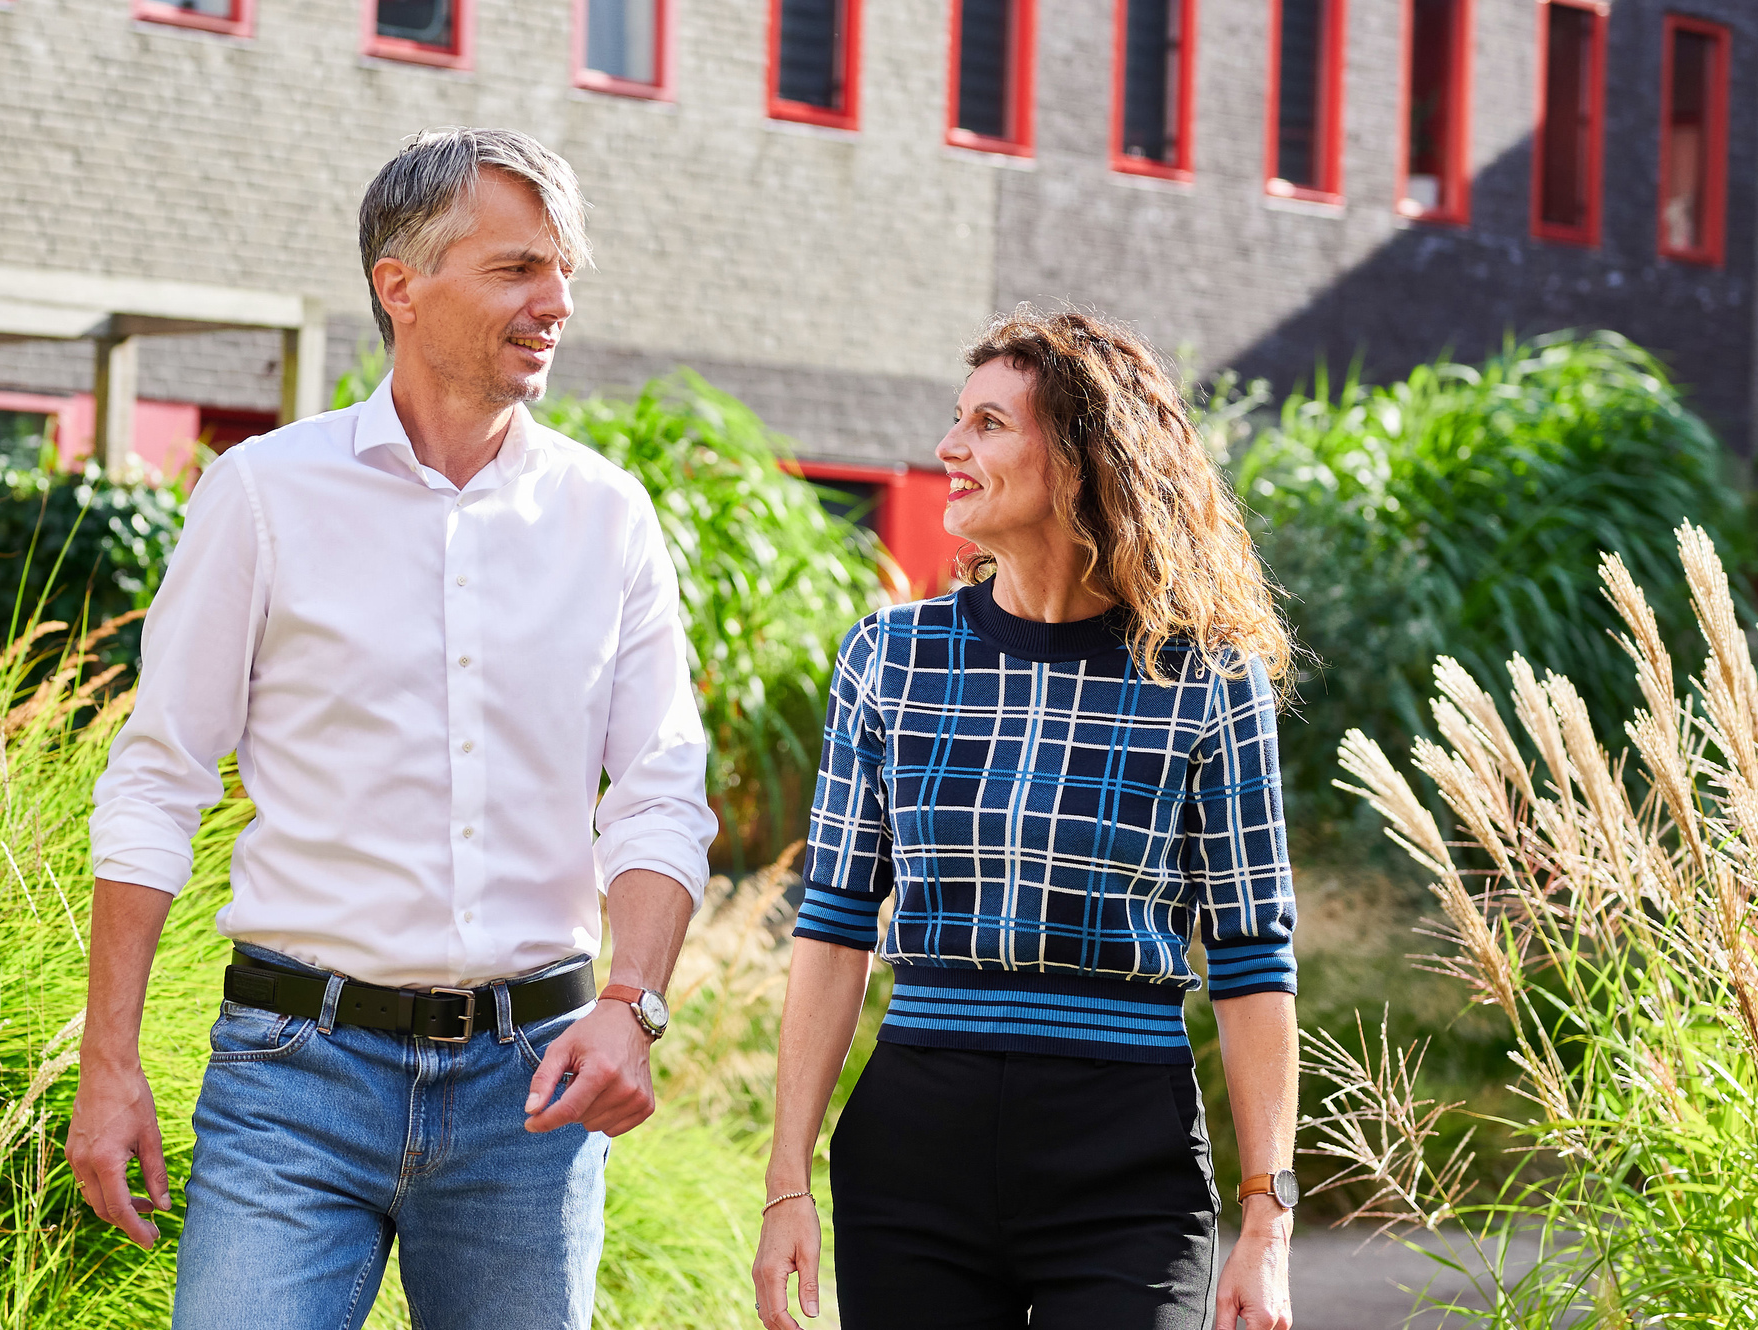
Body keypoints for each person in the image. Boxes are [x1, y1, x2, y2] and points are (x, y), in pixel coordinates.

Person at [65, 127, 716, 1330]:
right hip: (293, 1079)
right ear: (399, 284)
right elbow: (156, 778)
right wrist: (109, 1063)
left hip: (536, 1086)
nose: (557, 301)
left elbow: (664, 786)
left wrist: (633, 1000)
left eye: (564, 269)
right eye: (518, 267)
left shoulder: (606, 517)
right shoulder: (263, 495)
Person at [748, 310, 1302, 1330]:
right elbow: (830, 928)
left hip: (1126, 1169)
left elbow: (1252, 956)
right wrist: (790, 1182)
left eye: (989, 424)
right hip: (913, 1163)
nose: (949, 449)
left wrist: (1267, 1218)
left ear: (1087, 458)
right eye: (957, 420)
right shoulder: (890, 658)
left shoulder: (1207, 680)